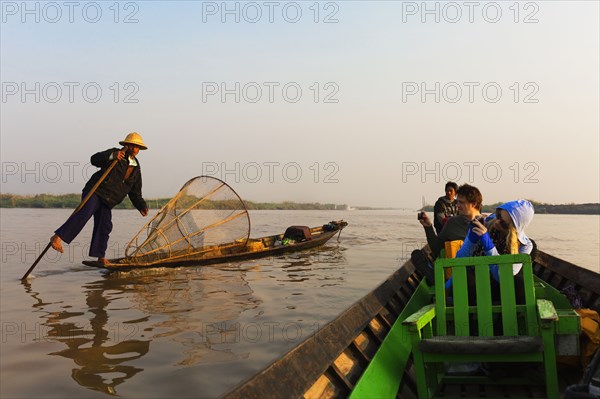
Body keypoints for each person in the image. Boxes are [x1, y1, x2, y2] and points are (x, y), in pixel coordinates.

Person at [50, 133, 149, 265]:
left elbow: (135, 191)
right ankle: (57, 237)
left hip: (109, 199)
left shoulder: (136, 167)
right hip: (96, 191)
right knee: (84, 214)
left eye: (137, 147)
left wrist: (141, 205)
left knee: (105, 225)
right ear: (126, 145)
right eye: (133, 145)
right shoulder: (115, 153)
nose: (135, 149)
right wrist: (111, 157)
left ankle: (100, 256)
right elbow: (94, 159)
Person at [454, 199, 535, 302]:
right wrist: (471, 239)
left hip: (499, 286)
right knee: (466, 278)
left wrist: (489, 246)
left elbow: (504, 277)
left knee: (519, 282)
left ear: (514, 228)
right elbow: (460, 259)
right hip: (476, 282)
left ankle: (509, 316)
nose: (497, 221)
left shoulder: (525, 245)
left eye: (503, 223)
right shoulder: (483, 224)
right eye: (498, 215)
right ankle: (470, 316)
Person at [412, 184, 484, 284]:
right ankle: (440, 279)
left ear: (474, 204)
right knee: (417, 255)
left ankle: (438, 279)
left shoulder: (487, 223)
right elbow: (437, 249)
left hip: (480, 273)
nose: (457, 205)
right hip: (455, 271)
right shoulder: (452, 222)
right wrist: (428, 227)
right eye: (457, 202)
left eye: (461, 203)